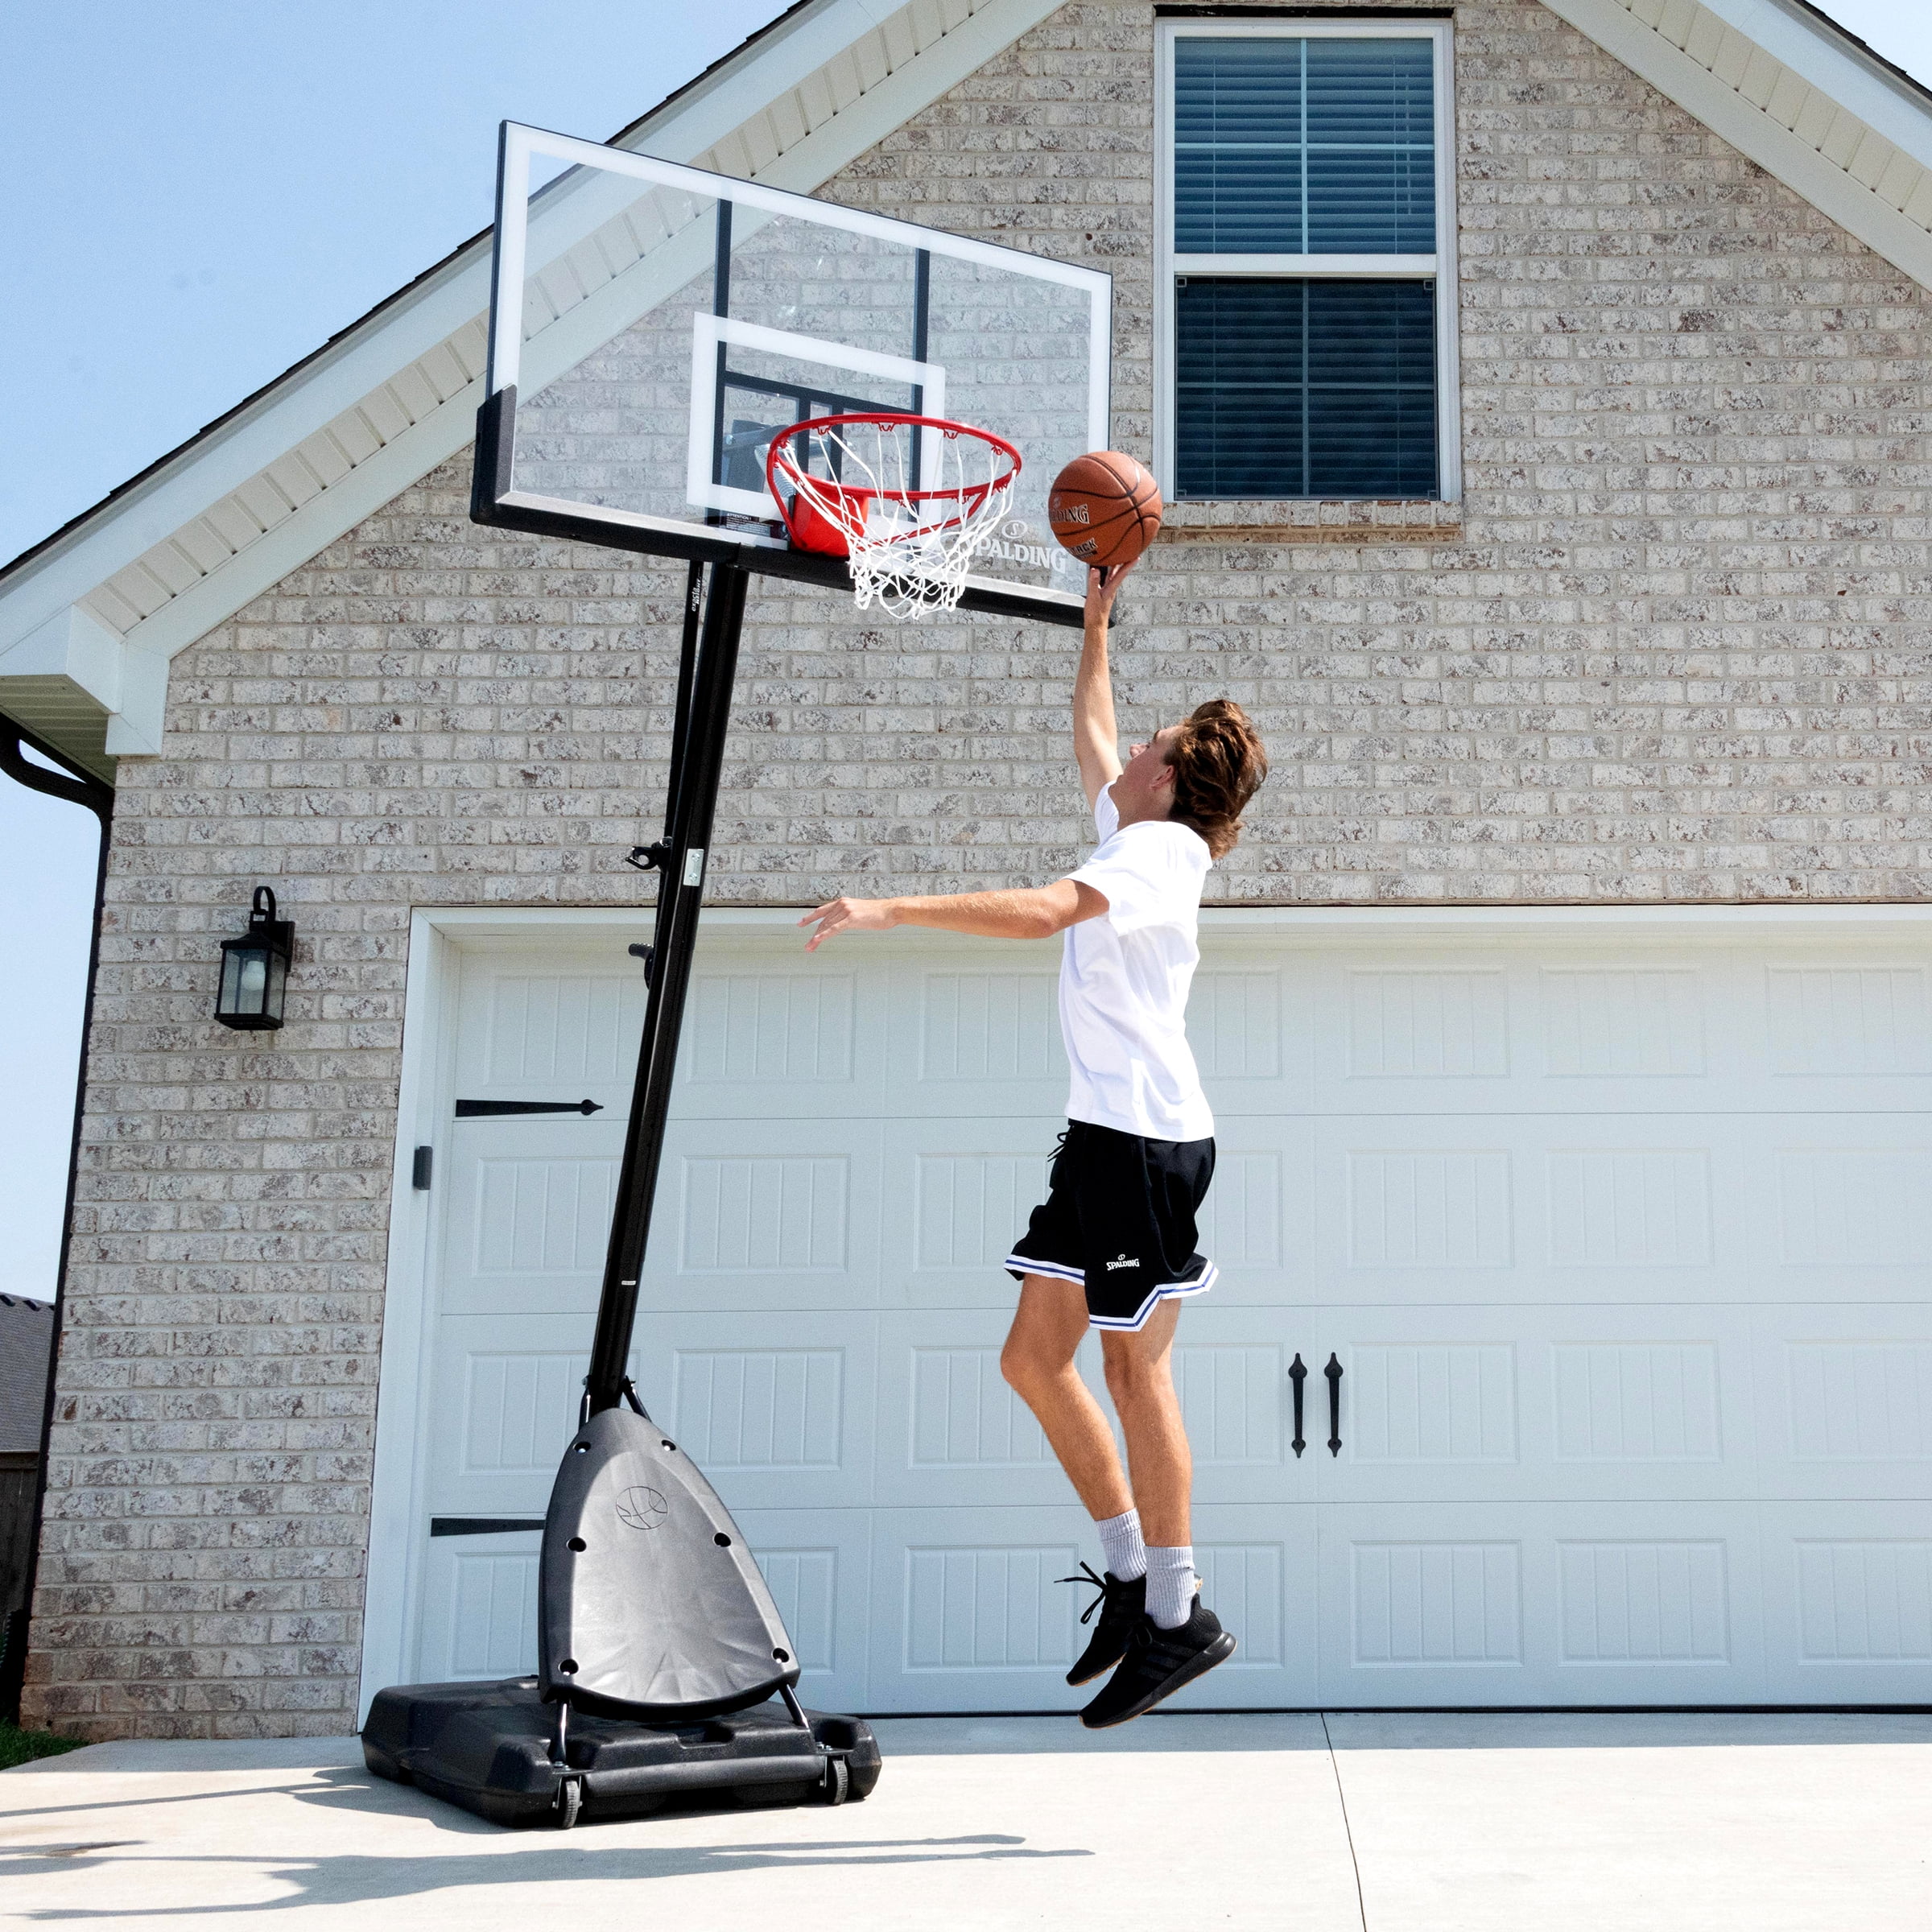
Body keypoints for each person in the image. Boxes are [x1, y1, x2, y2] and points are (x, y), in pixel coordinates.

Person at [799, 559, 1269, 1726]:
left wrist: (891, 907)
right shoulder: (1146, 829)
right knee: (1032, 1359)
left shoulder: (1155, 857)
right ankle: (1127, 1577)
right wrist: (1095, 621)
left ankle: (1178, 1612)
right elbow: (1094, 730)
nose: (1130, 756)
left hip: (1147, 1147)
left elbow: (1048, 911)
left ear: (1173, 780)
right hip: (1105, 1138)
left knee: (1133, 1366)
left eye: (1151, 748)